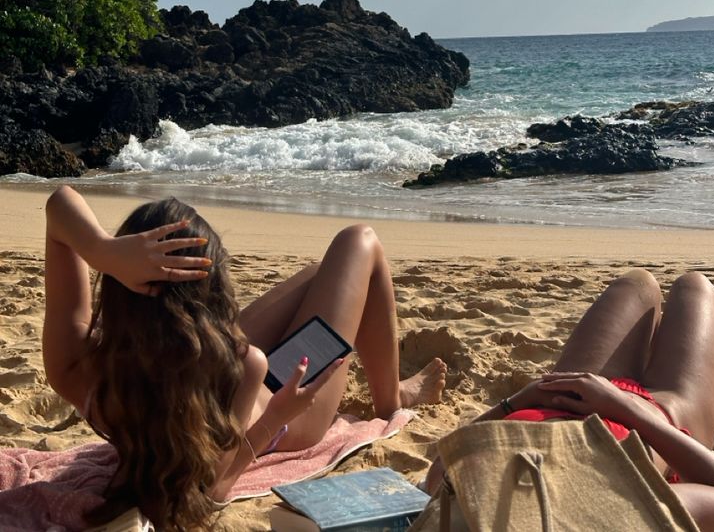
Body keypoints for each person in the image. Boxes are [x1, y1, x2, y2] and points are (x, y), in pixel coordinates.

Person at [43, 185, 447, 531]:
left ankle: (390, 385)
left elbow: (60, 204)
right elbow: (215, 488)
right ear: (212, 296)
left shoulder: (80, 369)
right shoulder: (247, 363)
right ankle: (392, 399)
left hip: (218, 373)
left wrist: (103, 250)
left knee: (322, 273)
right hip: (288, 406)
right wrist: (278, 415)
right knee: (361, 242)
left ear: (118, 286)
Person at [426, 269, 714, 532]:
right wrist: (624, 408)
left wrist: (518, 400)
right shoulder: (613, 513)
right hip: (661, 416)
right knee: (695, 288)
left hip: (567, 394)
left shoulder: (479, 507)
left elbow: (443, 463)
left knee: (638, 284)